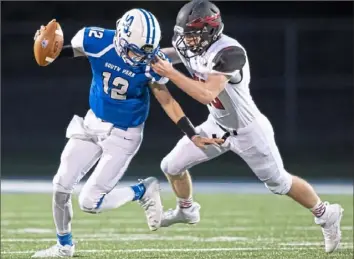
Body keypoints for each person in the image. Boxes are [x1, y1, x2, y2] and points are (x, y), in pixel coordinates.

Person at [151, 0, 344, 253]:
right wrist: (150, 56)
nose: (187, 42)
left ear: (210, 32)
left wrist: (171, 73)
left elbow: (207, 94)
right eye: (184, 36)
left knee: (279, 183)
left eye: (193, 36)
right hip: (217, 126)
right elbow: (174, 54)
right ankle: (186, 210)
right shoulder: (188, 42)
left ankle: (325, 213)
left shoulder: (230, 53)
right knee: (171, 165)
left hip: (248, 130)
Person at [32, 8, 223, 258]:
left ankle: (141, 190)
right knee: (60, 185)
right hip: (92, 123)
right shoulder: (97, 40)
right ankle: (64, 247)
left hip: (124, 135)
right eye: (134, 50)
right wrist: (49, 52)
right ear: (120, 37)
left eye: (145, 52)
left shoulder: (152, 62)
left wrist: (191, 133)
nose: (139, 57)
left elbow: (166, 101)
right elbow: (70, 51)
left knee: (89, 203)